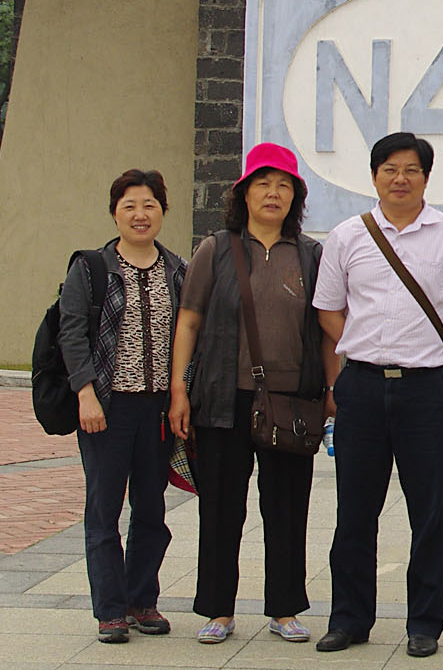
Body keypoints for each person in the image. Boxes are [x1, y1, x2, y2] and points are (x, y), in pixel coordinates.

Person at [311, 132, 443, 657]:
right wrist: (363, 345)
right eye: (390, 169)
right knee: (354, 511)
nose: (400, 179)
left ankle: (424, 624)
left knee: (430, 511)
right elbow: (328, 309)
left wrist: (434, 353)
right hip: (362, 386)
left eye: (411, 169)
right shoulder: (346, 237)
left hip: (429, 389)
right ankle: (349, 620)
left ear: (426, 178)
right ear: (374, 176)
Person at [168, 143, 328, 644]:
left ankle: (285, 608)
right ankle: (218, 610)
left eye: (284, 185)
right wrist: (179, 390)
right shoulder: (216, 249)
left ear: (296, 196)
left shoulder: (310, 255)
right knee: (221, 508)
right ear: (244, 193)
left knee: (287, 509)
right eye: (263, 183)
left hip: (291, 401)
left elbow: (327, 330)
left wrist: (331, 390)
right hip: (223, 400)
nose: (273, 193)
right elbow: (188, 321)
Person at [58, 168, 187, 644]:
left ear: (162, 211)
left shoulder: (178, 270)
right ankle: (110, 610)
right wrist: (85, 393)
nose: (140, 214)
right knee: (104, 510)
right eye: (129, 205)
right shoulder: (91, 268)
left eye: (149, 204)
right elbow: (71, 332)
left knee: (151, 510)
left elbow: (188, 338)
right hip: (107, 408)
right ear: (114, 213)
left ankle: (141, 600)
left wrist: (181, 397)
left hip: (157, 411)